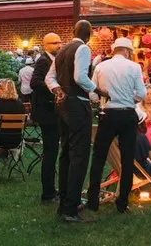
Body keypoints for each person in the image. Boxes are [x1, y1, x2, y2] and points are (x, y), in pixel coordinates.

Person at [86, 36, 146, 214]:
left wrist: (103, 99)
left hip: (108, 113)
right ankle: (122, 201)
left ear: (114, 50)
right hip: (127, 114)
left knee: (98, 156)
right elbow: (141, 93)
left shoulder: (101, 66)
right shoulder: (134, 67)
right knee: (127, 159)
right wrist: (129, 98)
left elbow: (92, 95)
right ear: (127, 51)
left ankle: (93, 200)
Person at [45, 20, 97, 223]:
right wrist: (96, 89)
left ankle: (65, 202)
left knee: (65, 153)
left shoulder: (62, 49)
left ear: (72, 32)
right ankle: (70, 207)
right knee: (79, 155)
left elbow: (50, 78)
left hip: (63, 107)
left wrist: (58, 91)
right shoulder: (83, 48)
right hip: (78, 105)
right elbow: (80, 77)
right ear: (89, 35)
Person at [31, 32, 61, 204]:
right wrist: (54, 88)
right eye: (54, 42)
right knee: (50, 153)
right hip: (46, 113)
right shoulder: (43, 60)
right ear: (46, 45)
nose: (59, 45)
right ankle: (48, 193)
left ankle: (51, 189)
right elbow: (35, 82)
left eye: (59, 42)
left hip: (51, 111)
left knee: (52, 152)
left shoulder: (52, 60)